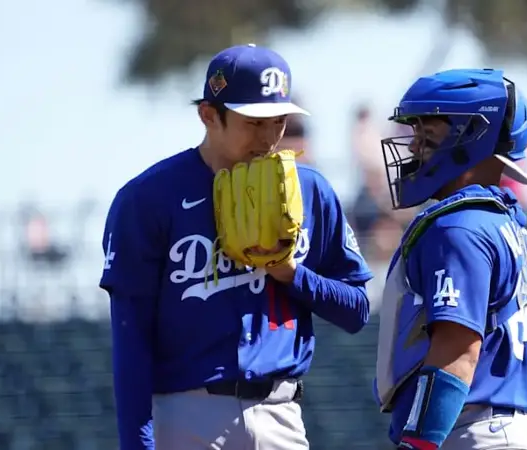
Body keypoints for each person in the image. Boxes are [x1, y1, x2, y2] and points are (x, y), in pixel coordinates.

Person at [100, 43, 374, 450]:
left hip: (281, 413)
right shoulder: (148, 199)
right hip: (186, 414)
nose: (268, 137)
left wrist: (290, 273)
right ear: (208, 115)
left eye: (278, 121)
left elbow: (357, 310)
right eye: (254, 121)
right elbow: (130, 335)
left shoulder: (310, 191)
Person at [373, 69, 527, 449]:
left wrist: (417, 445)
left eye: (428, 135)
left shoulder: (458, 227)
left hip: (475, 433)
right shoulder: (505, 224)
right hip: (503, 431)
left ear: (473, 137)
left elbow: (457, 352)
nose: (412, 148)